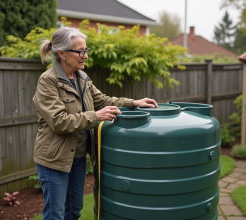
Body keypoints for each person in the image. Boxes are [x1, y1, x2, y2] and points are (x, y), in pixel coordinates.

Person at [33, 27, 158, 220]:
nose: (85, 56)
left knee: (74, 211)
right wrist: (95, 116)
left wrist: (133, 103)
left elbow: (103, 100)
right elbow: (59, 122)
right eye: (80, 51)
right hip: (54, 160)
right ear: (62, 53)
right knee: (55, 215)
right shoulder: (48, 82)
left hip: (78, 157)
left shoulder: (82, 78)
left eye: (86, 50)